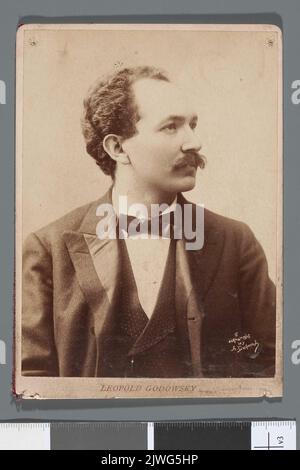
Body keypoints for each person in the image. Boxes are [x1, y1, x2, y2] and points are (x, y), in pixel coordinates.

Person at [22, 66, 276, 378]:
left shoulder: (235, 242)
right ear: (117, 148)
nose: (194, 143)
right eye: (171, 127)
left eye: (192, 125)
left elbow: (262, 357)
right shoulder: (49, 249)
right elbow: (32, 380)